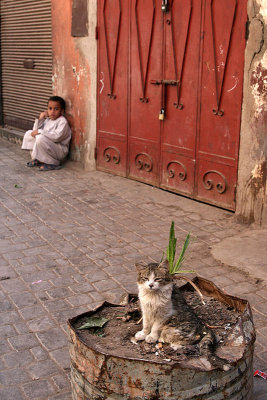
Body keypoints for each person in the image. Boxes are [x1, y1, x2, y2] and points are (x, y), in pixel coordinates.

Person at [21, 96, 71, 171]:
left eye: (56, 109)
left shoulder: (62, 121)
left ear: (62, 111)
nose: (52, 112)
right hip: (50, 146)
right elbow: (36, 131)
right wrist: (41, 118)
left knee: (40, 138)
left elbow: (56, 137)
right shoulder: (48, 120)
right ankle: (39, 159)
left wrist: (40, 132)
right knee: (29, 133)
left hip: (59, 150)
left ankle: (53, 163)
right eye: (50, 108)